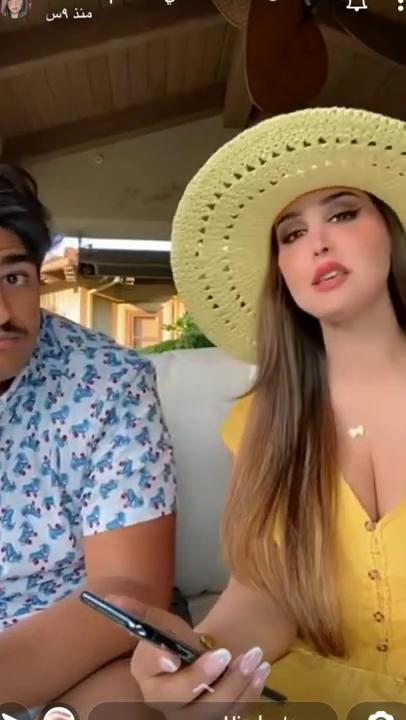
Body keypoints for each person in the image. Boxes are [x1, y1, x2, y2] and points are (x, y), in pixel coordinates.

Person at [110, 107, 406, 718]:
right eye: (291, 235)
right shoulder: (262, 420)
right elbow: (266, 593)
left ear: (392, 231)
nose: (317, 242)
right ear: (282, 272)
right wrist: (200, 659)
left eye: (343, 214)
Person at [0, 165, 177, 716]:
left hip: (82, 650)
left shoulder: (107, 382)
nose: (3, 315)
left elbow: (128, 593)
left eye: (14, 278)